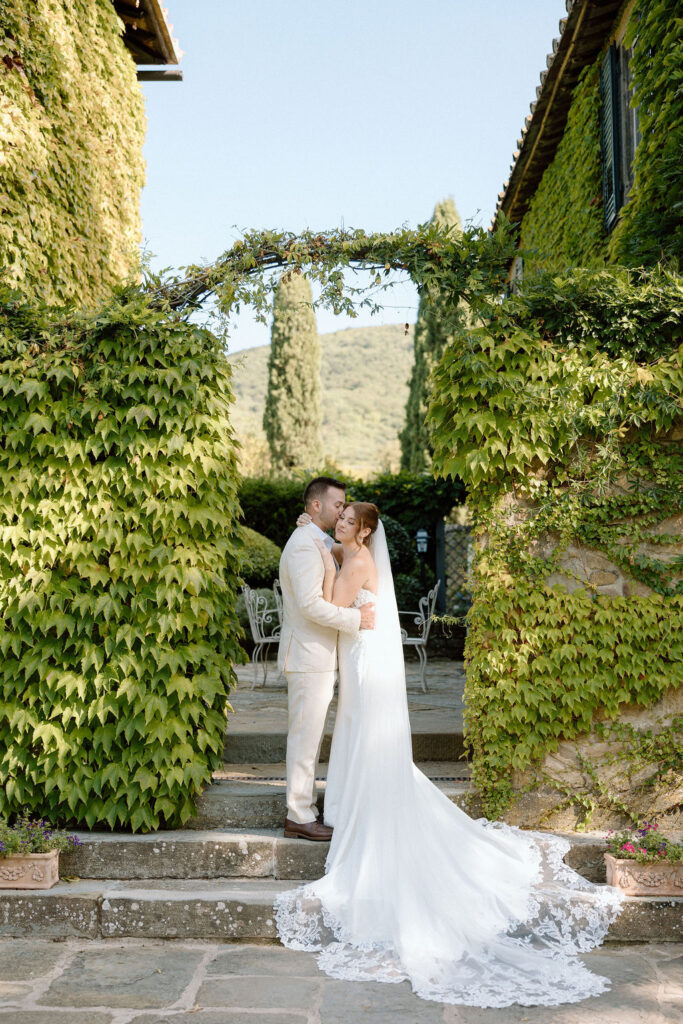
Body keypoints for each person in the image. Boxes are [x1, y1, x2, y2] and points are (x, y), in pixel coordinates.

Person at [275, 503, 624, 1008]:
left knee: (359, 732)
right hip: (360, 654)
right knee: (356, 733)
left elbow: (330, 602)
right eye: (340, 517)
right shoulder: (348, 552)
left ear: (365, 531)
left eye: (348, 521)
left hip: (360, 656)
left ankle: (361, 810)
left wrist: (325, 559)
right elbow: (336, 575)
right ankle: (352, 806)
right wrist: (318, 539)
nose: (340, 525)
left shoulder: (353, 562)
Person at [277, 477, 375, 842]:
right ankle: (298, 815)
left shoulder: (315, 538)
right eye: (337, 505)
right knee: (304, 739)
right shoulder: (304, 545)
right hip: (307, 656)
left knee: (311, 736)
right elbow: (309, 604)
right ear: (315, 505)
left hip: (318, 655)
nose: (341, 512)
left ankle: (306, 809)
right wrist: (355, 619)